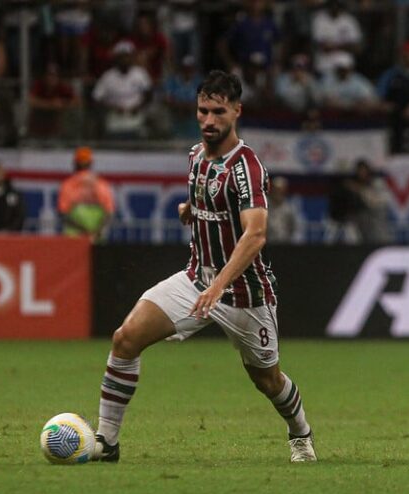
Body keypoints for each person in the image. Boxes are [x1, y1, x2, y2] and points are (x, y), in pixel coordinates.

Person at [90, 70, 317, 464]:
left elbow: (255, 234)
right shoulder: (195, 155)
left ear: (236, 111)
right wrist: (189, 210)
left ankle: (300, 434)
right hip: (196, 279)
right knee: (125, 339)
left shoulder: (247, 167)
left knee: (267, 379)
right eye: (203, 111)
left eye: (218, 112)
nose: (209, 120)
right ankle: (106, 442)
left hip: (245, 293)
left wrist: (218, 289)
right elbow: (207, 202)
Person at [57, 146, 115, 242]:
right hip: (97, 239)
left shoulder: (68, 185)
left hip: (74, 239)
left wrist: (84, 232)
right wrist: (96, 232)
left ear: (75, 164)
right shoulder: (101, 184)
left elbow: (63, 214)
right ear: (91, 163)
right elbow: (109, 213)